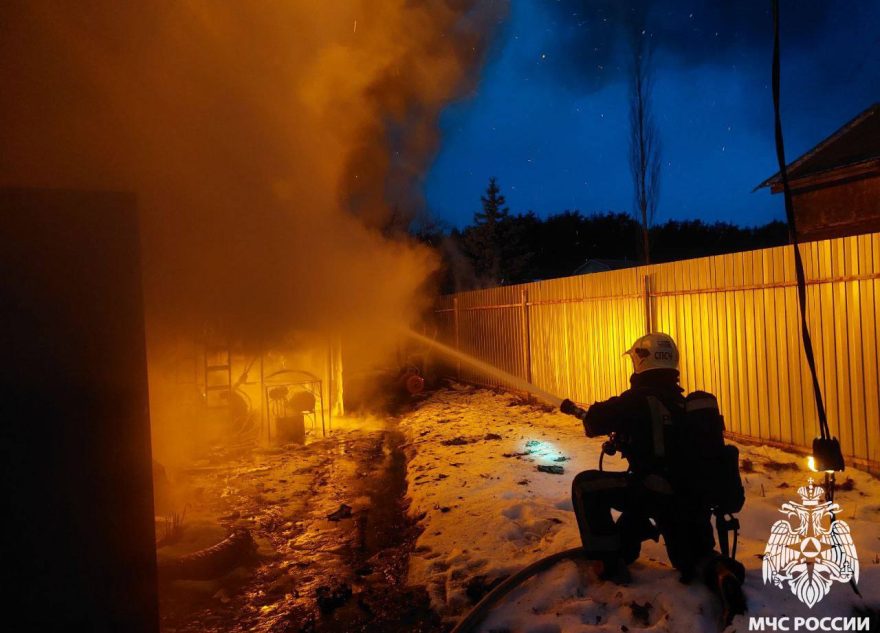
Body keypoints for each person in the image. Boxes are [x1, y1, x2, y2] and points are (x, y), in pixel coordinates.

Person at [560, 332, 746, 623]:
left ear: (641, 361)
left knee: (586, 485)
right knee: (691, 558)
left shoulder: (636, 399)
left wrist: (589, 415)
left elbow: (595, 420)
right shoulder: (681, 402)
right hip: (687, 499)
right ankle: (720, 572)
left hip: (649, 492)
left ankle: (607, 562)